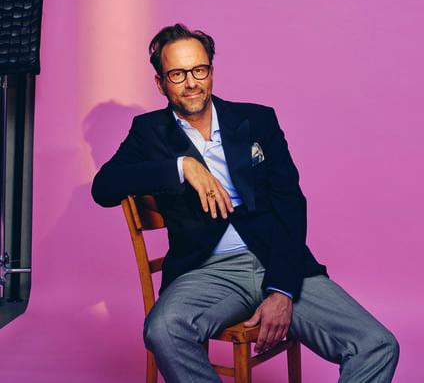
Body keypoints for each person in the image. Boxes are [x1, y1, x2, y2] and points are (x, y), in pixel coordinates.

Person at [92, 23, 399, 382]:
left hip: (278, 260)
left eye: (199, 70)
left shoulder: (257, 120)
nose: (191, 82)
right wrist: (183, 166)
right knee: (163, 330)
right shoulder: (148, 132)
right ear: (160, 83)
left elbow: (290, 203)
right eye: (177, 74)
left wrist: (282, 290)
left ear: (210, 71)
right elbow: (104, 187)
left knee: (377, 345)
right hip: (206, 272)